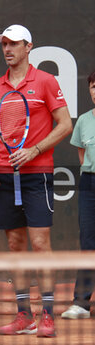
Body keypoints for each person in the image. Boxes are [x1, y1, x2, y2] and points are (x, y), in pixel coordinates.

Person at [0, 24, 72, 337]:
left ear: (28, 47)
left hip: (37, 176)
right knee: (15, 246)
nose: (7, 49)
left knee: (39, 244)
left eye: (13, 44)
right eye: (4, 44)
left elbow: (64, 125)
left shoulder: (46, 82)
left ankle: (47, 315)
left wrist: (34, 149)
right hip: (5, 177)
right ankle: (25, 315)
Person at [61, 70, 95, 319]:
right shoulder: (84, 120)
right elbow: (82, 156)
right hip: (89, 185)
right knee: (88, 244)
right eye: (94, 86)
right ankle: (81, 304)